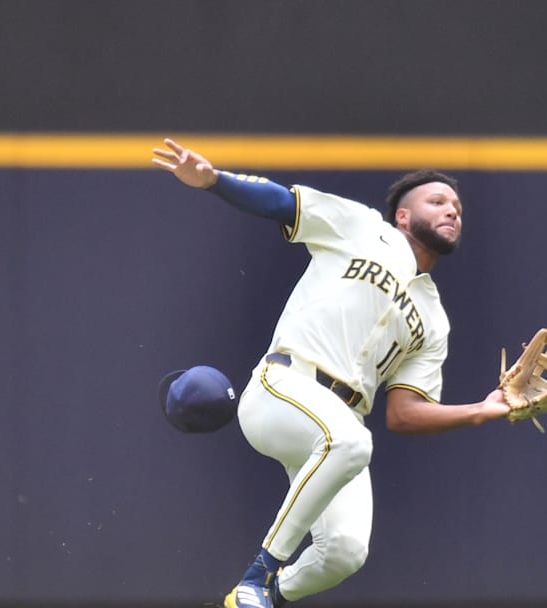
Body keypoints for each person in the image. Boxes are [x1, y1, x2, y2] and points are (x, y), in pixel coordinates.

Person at [151, 138, 511, 608]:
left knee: (344, 553)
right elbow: (281, 203)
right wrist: (214, 181)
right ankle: (257, 576)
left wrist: (481, 410)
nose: (452, 212)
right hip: (284, 388)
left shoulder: (434, 318)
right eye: (438, 201)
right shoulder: (363, 227)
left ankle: (255, 600)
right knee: (352, 443)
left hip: (338, 424)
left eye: (457, 208)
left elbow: (404, 413)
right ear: (403, 216)